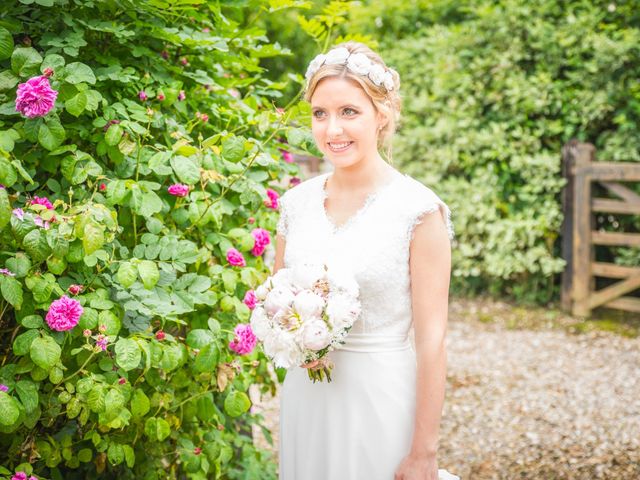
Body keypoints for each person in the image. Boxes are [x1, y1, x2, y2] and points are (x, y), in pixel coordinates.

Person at [273, 42, 457, 480]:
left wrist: (424, 452)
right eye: (320, 113)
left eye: (349, 112)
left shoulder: (418, 211)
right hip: (307, 402)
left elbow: (433, 341)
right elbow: (279, 302)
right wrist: (297, 340)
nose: (332, 128)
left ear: (383, 114)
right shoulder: (295, 205)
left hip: (380, 403)